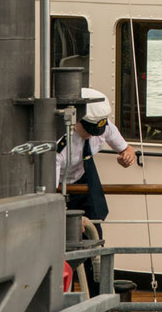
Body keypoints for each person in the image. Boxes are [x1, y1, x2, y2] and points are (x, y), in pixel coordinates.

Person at [56, 89, 135, 296]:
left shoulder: (102, 126)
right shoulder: (61, 144)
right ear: (76, 122)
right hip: (59, 189)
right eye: (89, 130)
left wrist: (126, 158)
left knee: (94, 241)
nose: (93, 135)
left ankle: (96, 298)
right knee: (62, 248)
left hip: (86, 182)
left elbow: (127, 150)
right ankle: (65, 296)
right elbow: (50, 188)